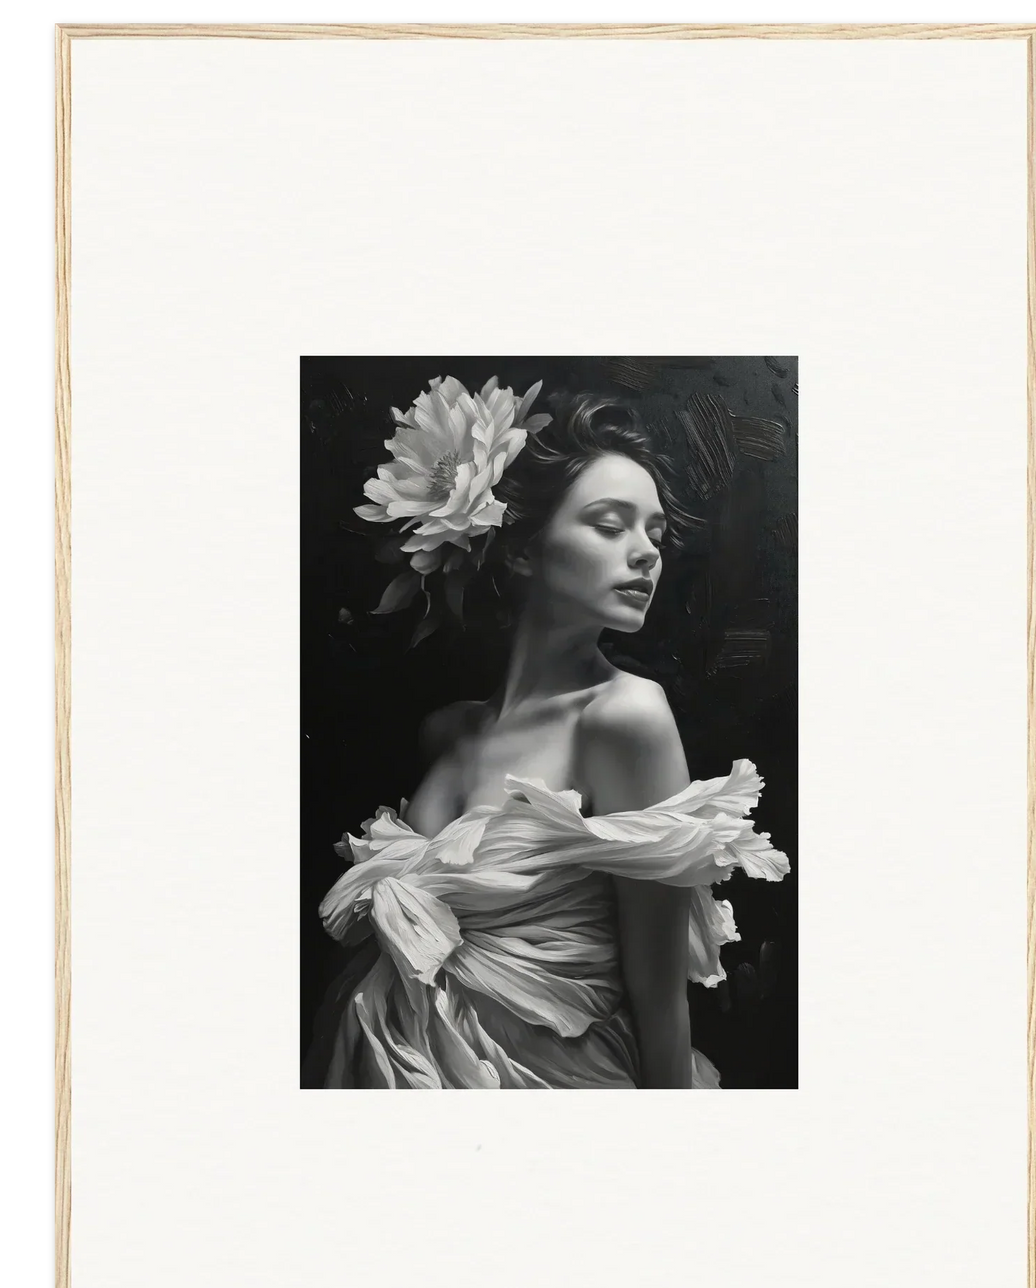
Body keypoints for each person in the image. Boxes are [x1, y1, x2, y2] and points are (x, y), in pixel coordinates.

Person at [304, 383, 788, 1088]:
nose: (645, 553)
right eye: (609, 523)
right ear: (524, 550)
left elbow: (659, 1003)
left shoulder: (625, 718)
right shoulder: (446, 732)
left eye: (655, 534)